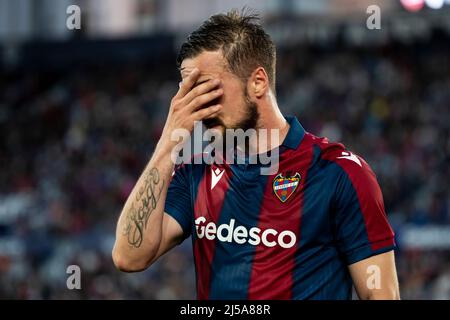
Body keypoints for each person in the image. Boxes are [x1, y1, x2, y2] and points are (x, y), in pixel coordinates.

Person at [112, 9, 400, 300]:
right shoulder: (196, 172)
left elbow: (381, 295)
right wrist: (167, 143)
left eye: (210, 90)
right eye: (190, 94)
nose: (200, 109)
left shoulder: (340, 174)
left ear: (258, 82)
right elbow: (129, 257)